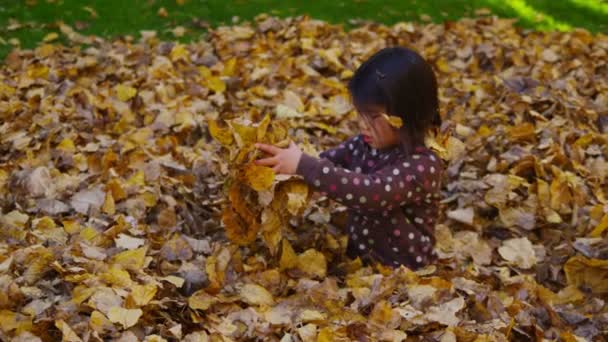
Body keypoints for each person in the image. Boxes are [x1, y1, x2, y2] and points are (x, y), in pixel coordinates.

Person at [255, 47, 444, 270]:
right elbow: (325, 162)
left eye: (374, 117)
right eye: (359, 113)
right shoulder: (363, 143)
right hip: (361, 265)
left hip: (405, 272)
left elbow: (373, 192)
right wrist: (278, 157)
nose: (362, 124)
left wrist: (303, 164)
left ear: (407, 115)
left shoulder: (423, 165)